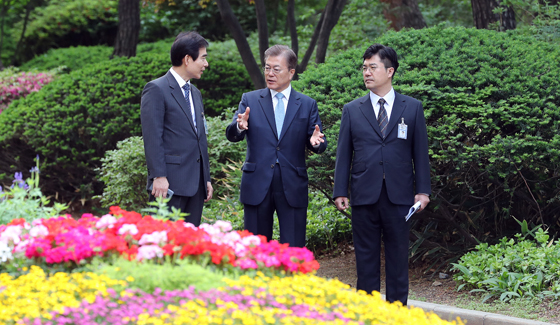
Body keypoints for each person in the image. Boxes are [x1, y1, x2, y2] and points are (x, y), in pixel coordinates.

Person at [332, 44, 431, 305]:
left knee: (398, 258)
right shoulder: (352, 109)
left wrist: (423, 191)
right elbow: (344, 154)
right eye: (364, 68)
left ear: (390, 71)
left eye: (372, 67)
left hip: (399, 197)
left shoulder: (412, 108)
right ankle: (368, 315)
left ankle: (396, 315)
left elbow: (420, 153)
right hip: (364, 195)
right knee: (366, 260)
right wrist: (340, 190)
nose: (366, 72)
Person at [225, 45, 327, 248]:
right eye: (267, 68)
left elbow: (318, 143)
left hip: (292, 183)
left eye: (276, 69)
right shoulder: (250, 99)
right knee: (255, 250)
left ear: (291, 72)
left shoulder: (306, 104)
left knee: (294, 248)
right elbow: (232, 134)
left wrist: (316, 143)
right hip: (257, 183)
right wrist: (239, 126)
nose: (270, 74)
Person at [140, 31, 213, 226]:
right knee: (165, 244)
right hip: (168, 185)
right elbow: (153, 137)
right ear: (187, 59)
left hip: (196, 186)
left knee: (190, 245)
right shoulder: (156, 89)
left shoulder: (195, 93)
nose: (206, 64)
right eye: (203, 58)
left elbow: (200, 137)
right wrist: (159, 176)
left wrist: (206, 178)